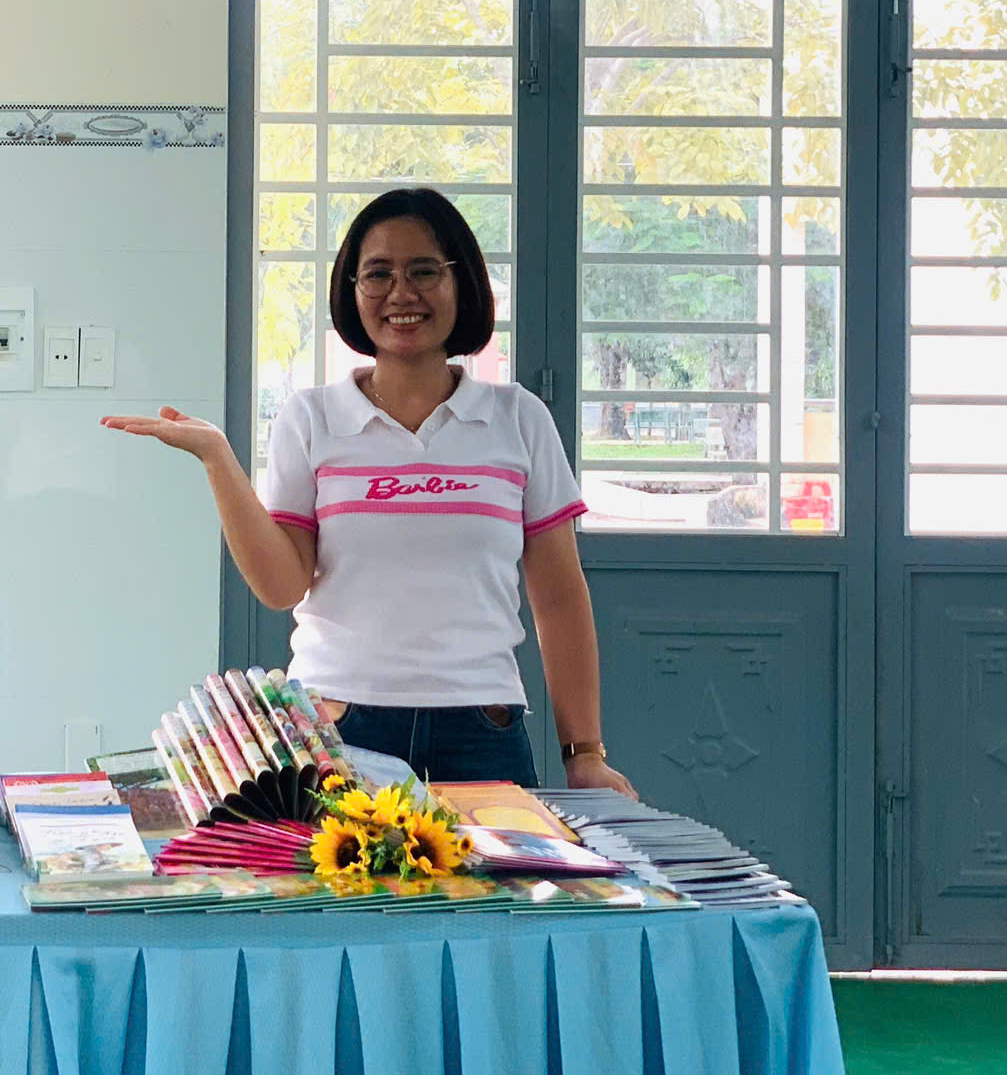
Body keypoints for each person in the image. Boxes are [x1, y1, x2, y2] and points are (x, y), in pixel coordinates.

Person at [105, 187, 635, 792]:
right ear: (352, 290)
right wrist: (218, 459)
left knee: (496, 864)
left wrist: (584, 753)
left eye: (424, 271)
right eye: (378, 274)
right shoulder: (311, 418)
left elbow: (559, 598)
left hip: (482, 731)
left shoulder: (519, 418)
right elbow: (281, 586)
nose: (401, 294)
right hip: (338, 731)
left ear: (461, 283)